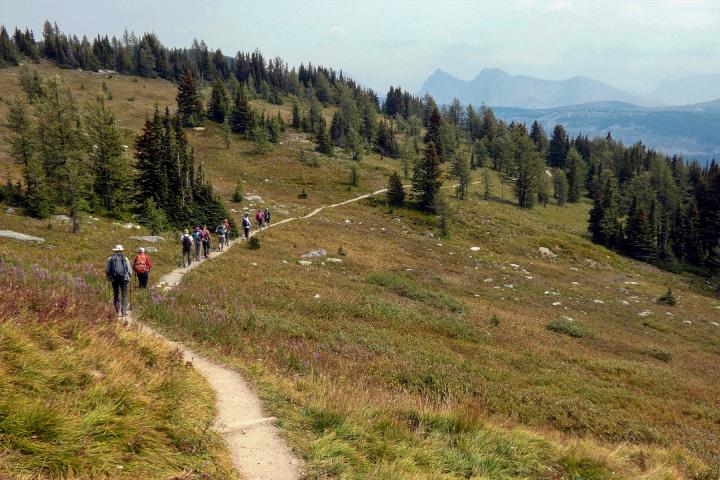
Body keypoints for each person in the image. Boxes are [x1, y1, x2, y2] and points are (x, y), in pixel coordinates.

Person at [105, 245, 132, 317]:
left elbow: (107, 270)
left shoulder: (110, 259)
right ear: (122, 250)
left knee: (116, 294)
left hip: (114, 279)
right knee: (124, 295)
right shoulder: (125, 258)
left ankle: (117, 311)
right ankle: (123, 312)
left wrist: (108, 276)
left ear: (115, 250)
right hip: (124, 279)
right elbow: (129, 270)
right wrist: (129, 276)